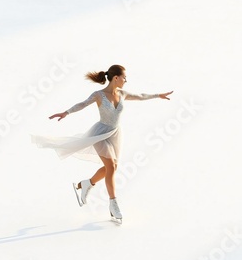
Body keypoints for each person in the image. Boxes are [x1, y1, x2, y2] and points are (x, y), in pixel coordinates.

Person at [31, 65, 173, 221]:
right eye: (124, 77)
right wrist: (66, 112)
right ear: (116, 78)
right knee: (111, 166)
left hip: (115, 134)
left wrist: (158, 95)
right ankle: (113, 204)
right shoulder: (99, 95)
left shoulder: (123, 94)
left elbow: (140, 95)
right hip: (100, 133)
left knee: (112, 167)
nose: (126, 80)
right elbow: (82, 104)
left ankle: (87, 184)